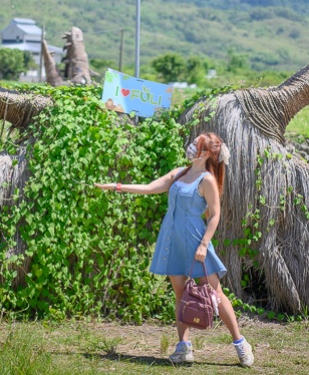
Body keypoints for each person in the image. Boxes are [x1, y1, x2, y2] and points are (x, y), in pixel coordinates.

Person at [96, 132, 254, 367]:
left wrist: (203, 245)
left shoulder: (207, 180)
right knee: (181, 294)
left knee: (215, 295)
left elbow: (215, 215)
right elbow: (150, 187)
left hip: (195, 241)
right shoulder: (180, 172)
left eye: (196, 145)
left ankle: (241, 344)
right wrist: (117, 186)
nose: (191, 147)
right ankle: (184, 347)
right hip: (172, 239)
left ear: (207, 153)